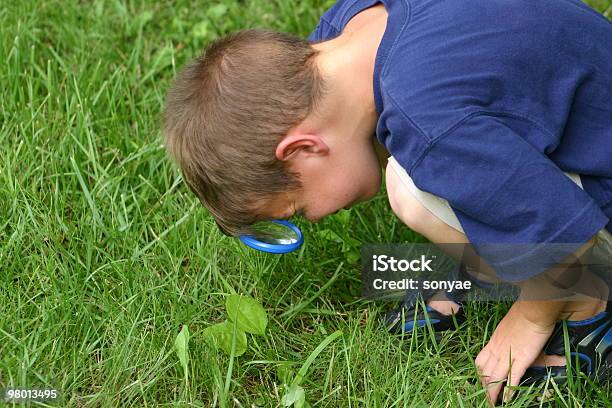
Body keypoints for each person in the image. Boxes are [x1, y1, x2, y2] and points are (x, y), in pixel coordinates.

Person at [163, 0, 612, 403]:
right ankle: (484, 269)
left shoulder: (430, 121)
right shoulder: (352, 25)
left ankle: (588, 304)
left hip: (588, 209)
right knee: (414, 179)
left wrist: (530, 319)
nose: (316, 217)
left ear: (303, 148)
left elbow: (559, 230)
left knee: (412, 189)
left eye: (300, 208)